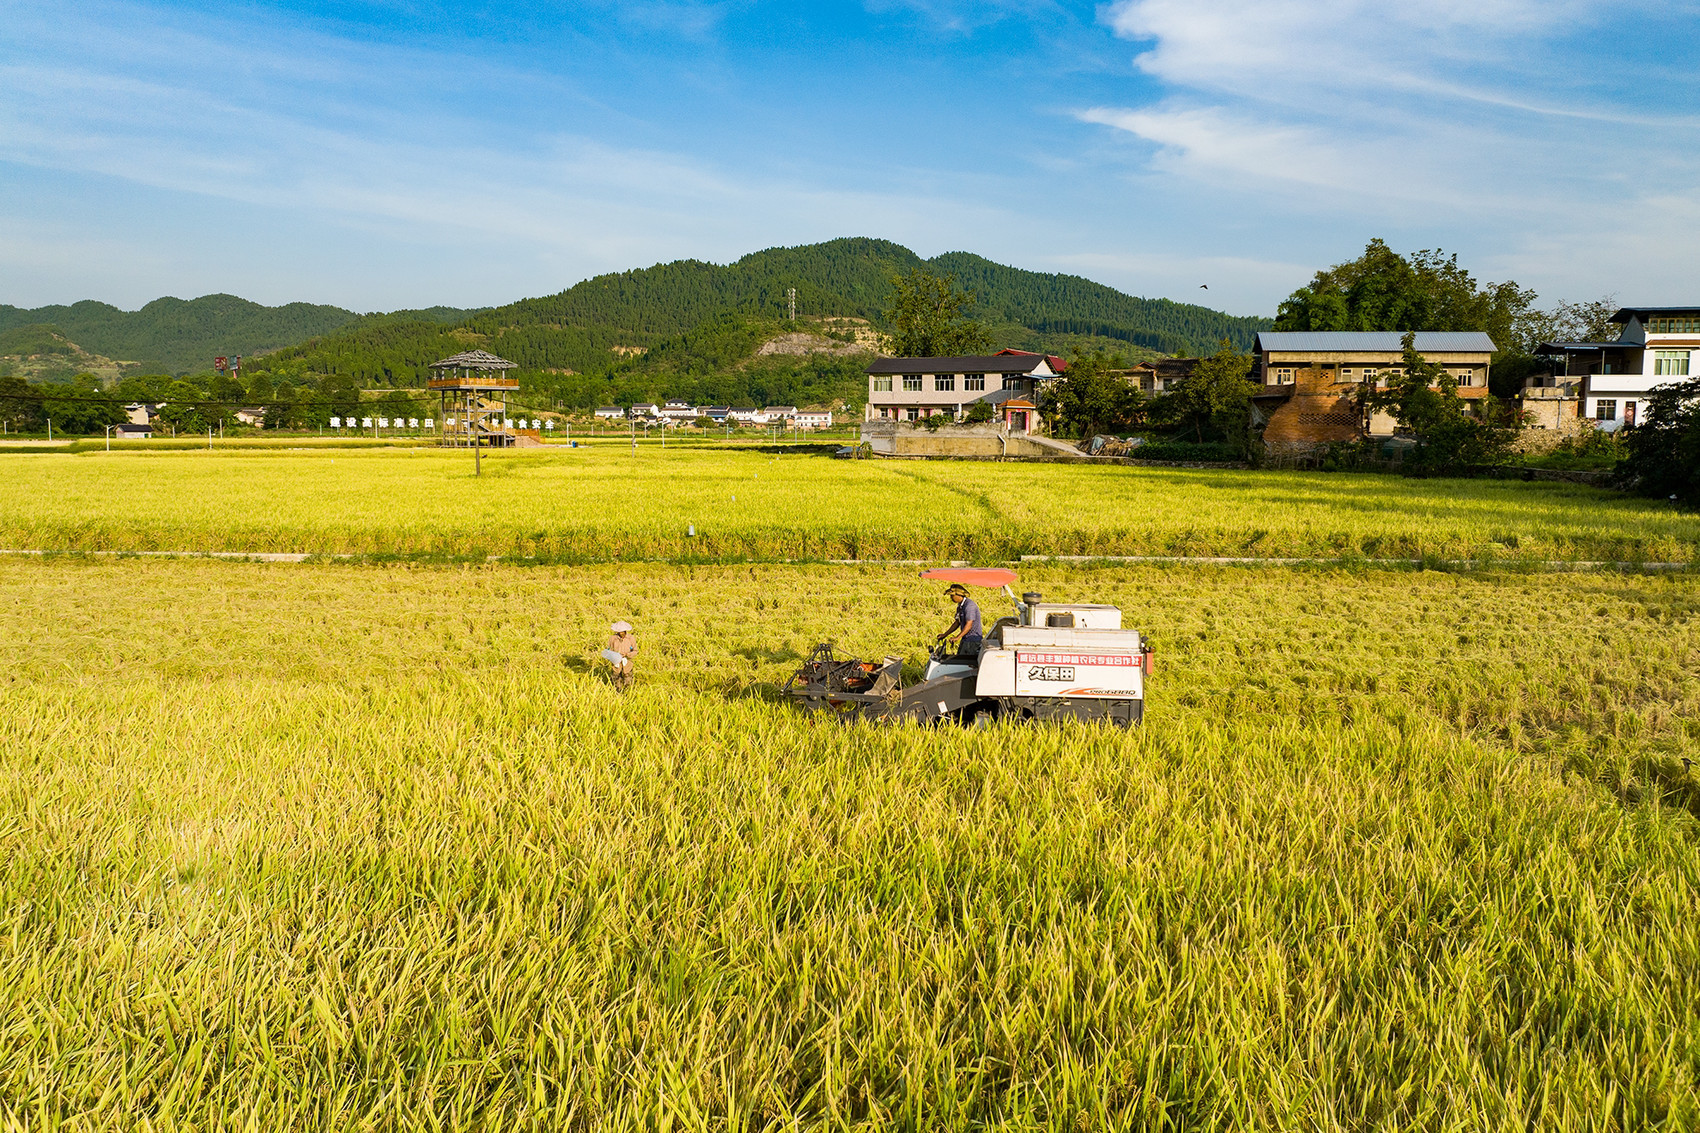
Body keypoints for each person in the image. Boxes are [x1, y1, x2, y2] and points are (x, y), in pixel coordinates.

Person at [936, 583, 983, 659]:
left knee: (965, 662)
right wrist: (945, 635)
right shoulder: (960, 606)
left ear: (959, 595)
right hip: (965, 639)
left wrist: (957, 637)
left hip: (972, 641)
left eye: (952, 596)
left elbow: (969, 625)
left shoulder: (969, 606)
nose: (951, 598)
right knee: (959, 659)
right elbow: (957, 622)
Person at [602, 620, 637, 690]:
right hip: (616, 663)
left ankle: (628, 692)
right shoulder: (613, 639)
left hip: (627, 663)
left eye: (623, 631)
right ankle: (617, 692)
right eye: (620, 632)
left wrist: (627, 654)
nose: (621, 633)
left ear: (625, 631)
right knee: (616, 679)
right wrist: (614, 656)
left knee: (628, 679)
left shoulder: (630, 638)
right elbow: (609, 650)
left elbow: (635, 651)